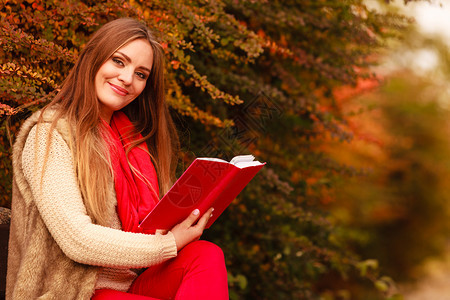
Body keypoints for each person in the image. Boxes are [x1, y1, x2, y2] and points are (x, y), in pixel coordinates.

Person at [6, 18, 229, 300]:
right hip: (76, 293)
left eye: (141, 74)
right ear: (94, 59)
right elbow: (77, 240)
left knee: (205, 254)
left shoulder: (134, 146)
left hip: (134, 286)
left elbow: (153, 227)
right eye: (119, 61)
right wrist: (169, 242)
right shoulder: (48, 137)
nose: (127, 78)